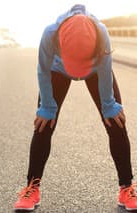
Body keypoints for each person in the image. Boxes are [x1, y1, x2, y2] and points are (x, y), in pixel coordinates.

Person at [14, 4, 137, 212]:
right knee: (44, 123)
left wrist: (108, 104)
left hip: (95, 69)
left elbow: (105, 68)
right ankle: (31, 188)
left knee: (115, 120)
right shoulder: (50, 34)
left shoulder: (101, 32)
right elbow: (43, 71)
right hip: (57, 70)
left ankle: (127, 187)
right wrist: (47, 106)